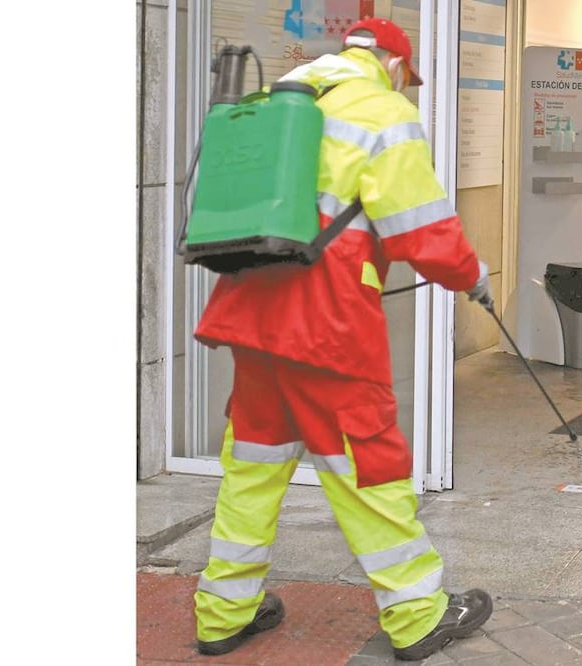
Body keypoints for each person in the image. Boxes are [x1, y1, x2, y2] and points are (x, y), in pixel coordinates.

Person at [190, 17, 493, 661]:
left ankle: (224, 612)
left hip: (251, 303)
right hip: (326, 318)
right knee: (367, 459)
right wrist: (474, 277)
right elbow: (422, 234)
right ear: (393, 64)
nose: (406, 90)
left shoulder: (282, 97)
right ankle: (416, 614)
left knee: (253, 463)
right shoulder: (382, 111)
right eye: (407, 80)